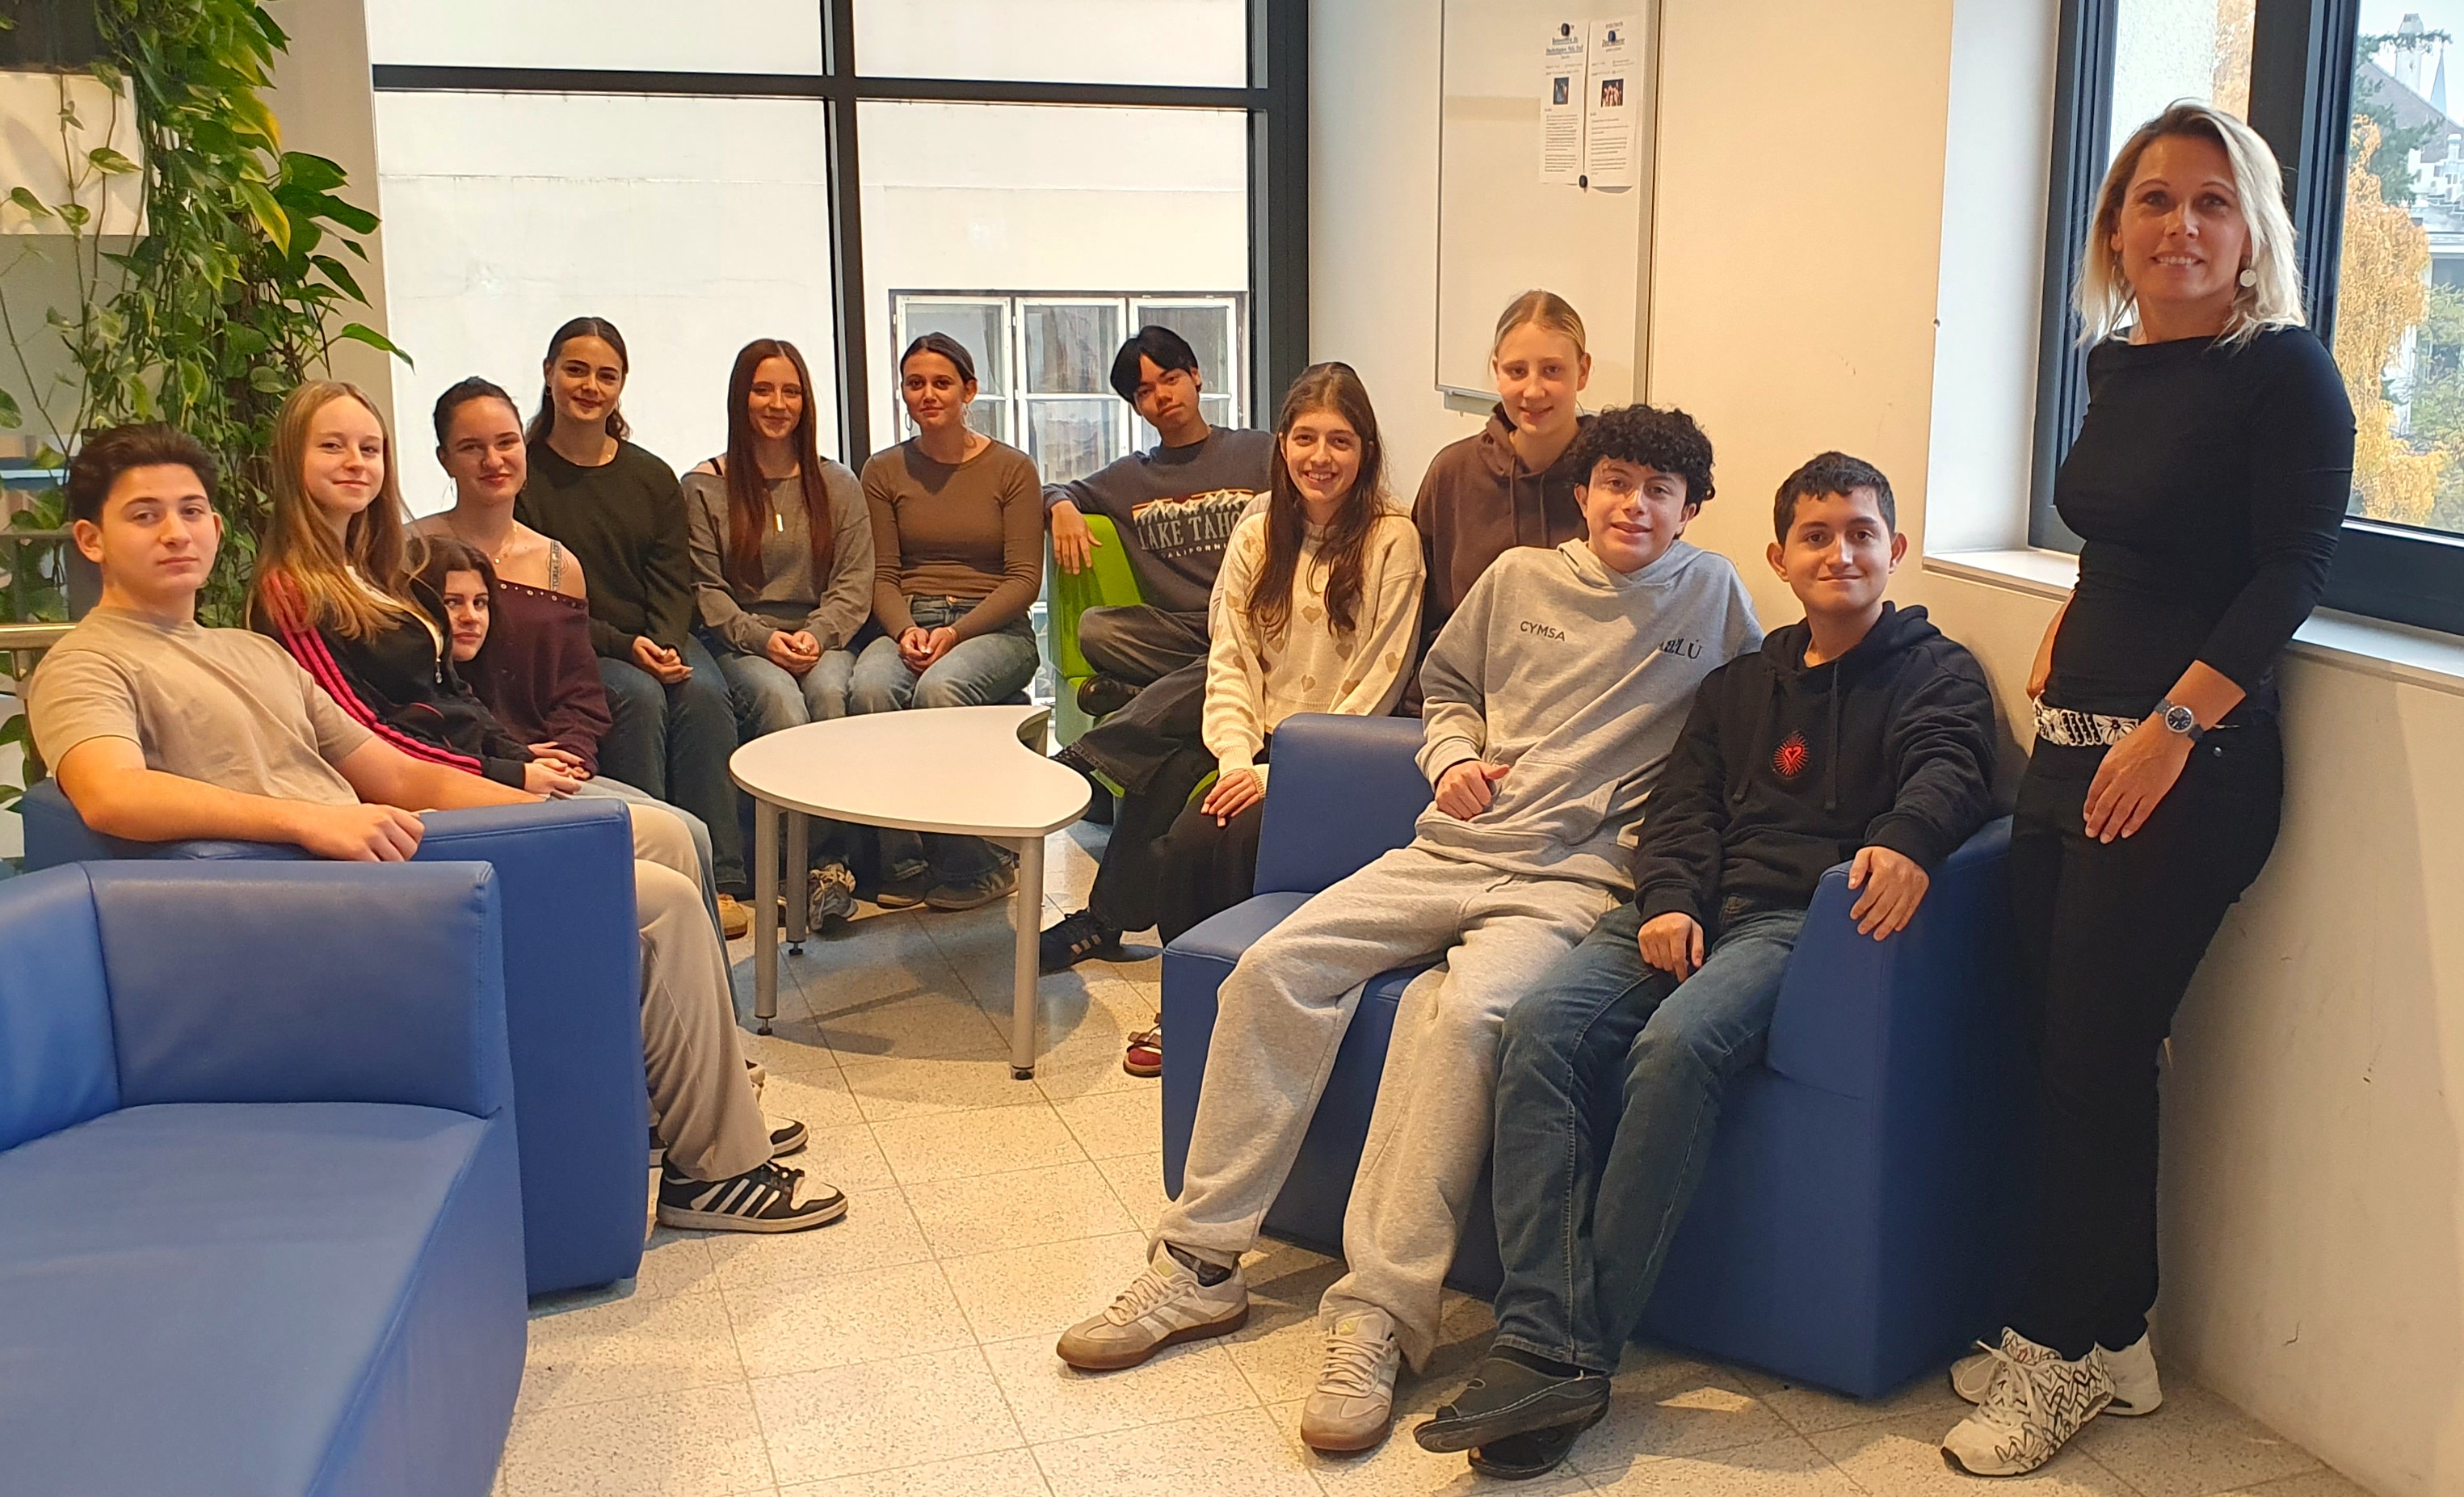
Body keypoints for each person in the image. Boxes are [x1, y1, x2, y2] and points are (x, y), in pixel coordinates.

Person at [1056, 405, 1763, 1456]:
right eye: (1615, 482)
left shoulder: (1714, 597)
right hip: (1446, 848)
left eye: (1658, 490)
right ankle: (1197, 1264)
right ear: (1582, 492)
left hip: (1568, 885)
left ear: (1689, 508)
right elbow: (1447, 692)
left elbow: (1747, 726)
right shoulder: (1516, 579)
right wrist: (1451, 757)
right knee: (1271, 968)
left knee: (1465, 1019)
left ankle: (1378, 1317)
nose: (1633, 504)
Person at [27, 422, 843, 1234]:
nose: (176, 532)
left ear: (214, 523)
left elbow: (394, 771)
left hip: (380, 851)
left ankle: (677, 1103)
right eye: (145, 516)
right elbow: (111, 795)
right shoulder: (88, 662)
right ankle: (718, 1171)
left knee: (646, 834)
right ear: (92, 539)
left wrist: (560, 821)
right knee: (656, 900)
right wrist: (309, 820)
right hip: (318, 888)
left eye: (191, 511)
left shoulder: (250, 653)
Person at [1413, 452, 1996, 1480]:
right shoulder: (1738, 684)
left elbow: (1951, 764)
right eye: (1814, 535)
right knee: (1539, 1029)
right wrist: (1671, 898)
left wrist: (1908, 835)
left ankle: (1565, 1354)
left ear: (1894, 548)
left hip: (1792, 924)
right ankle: (1540, 1334)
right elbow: (1679, 805)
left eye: (1860, 533)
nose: (1839, 553)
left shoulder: (1933, 671)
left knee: (1673, 1048)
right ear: (1778, 557)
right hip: (1683, 911)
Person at [1938, 103, 2353, 1477]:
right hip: (2073, 744)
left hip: (2190, 764)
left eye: (2211, 202)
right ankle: (2118, 1337)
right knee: (2067, 1048)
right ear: (2114, 228)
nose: (2180, 225)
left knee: (2095, 1059)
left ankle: (2057, 1350)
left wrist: (2174, 723)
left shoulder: (2283, 372)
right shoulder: (2115, 365)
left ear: (2253, 232)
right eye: (2153, 200)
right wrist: (2074, 612)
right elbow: (2134, 535)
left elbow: (2289, 571)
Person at [1039, 362, 1420, 990]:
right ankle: (1136, 945)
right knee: (1164, 783)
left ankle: (1206, 990)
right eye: (1305, 438)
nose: (1320, 457)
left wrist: (1276, 774)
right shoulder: (1260, 526)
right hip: (1254, 730)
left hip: (1328, 755)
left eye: (1340, 441)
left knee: (1203, 839)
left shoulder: (1392, 540)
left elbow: (1379, 681)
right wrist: (1238, 759)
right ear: (1283, 444)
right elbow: (1231, 657)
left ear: (1366, 450)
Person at [515, 315, 754, 936]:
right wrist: (628, 647)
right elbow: (540, 594)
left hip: (657, 631)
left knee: (705, 694)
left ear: (622, 384)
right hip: (574, 640)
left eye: (606, 375)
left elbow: (674, 576)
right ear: (548, 373)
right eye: (576, 370)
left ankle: (721, 878)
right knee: (639, 696)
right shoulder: (524, 473)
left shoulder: (649, 475)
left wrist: (667, 641)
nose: (590, 387)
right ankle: (640, 871)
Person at [850, 331, 1043, 910]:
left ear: (969, 390)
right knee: (871, 689)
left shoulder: (1012, 468)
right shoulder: (883, 470)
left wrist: (956, 633)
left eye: (942, 382)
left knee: (940, 690)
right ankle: (903, 862)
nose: (928, 394)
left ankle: (977, 866)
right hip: (910, 617)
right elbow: (882, 574)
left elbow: (1023, 580)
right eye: (915, 383)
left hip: (994, 627)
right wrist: (905, 629)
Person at [684, 338, 873, 923]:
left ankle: (832, 864)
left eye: (790, 391)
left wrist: (818, 634)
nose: (777, 403)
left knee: (829, 695)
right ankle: (793, 868)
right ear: (740, 399)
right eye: (763, 390)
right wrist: (763, 639)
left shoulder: (837, 483)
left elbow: (854, 579)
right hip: (743, 641)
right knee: (780, 704)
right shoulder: (705, 485)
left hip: (823, 637)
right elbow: (706, 590)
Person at [1045, 324, 1274, 782]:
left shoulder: (1258, 452)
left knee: (1232, 659)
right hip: (1179, 633)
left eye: (1170, 379)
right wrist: (1061, 506)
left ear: (1196, 376)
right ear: (1136, 406)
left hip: (1252, 624)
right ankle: (1160, 690)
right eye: (1145, 391)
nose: (1162, 397)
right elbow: (1050, 488)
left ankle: (1095, 750)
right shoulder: (1129, 478)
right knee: (1097, 630)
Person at [1406, 290, 1595, 704]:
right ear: (1496, 371)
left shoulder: (1614, 481)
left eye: (1552, 370)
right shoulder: (1452, 473)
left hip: (1577, 710)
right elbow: (1419, 618)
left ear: (1582, 371)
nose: (1533, 390)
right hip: (1464, 706)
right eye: (1516, 371)